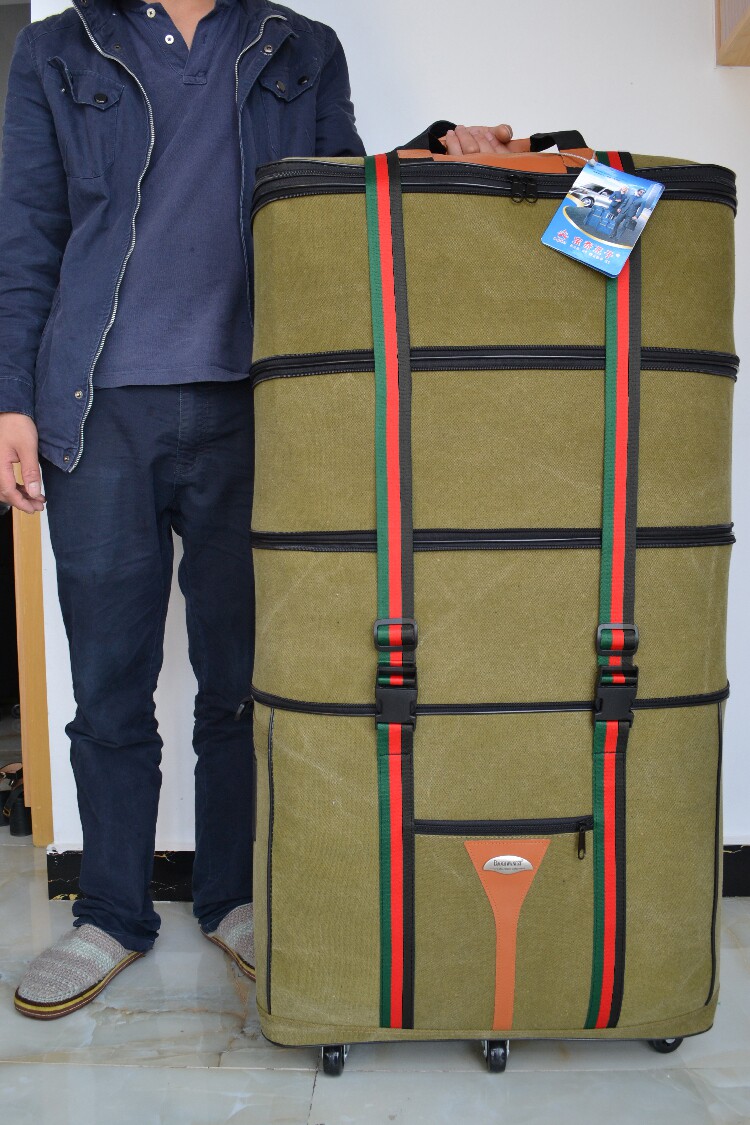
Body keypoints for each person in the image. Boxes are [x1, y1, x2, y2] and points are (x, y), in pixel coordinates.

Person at [0, 0, 514, 1019]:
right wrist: (12, 398)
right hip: (96, 412)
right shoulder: (58, 48)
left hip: (257, 406)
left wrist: (433, 151)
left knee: (244, 680)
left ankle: (234, 898)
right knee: (109, 682)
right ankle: (110, 913)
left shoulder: (299, 45)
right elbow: (27, 234)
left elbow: (336, 204)